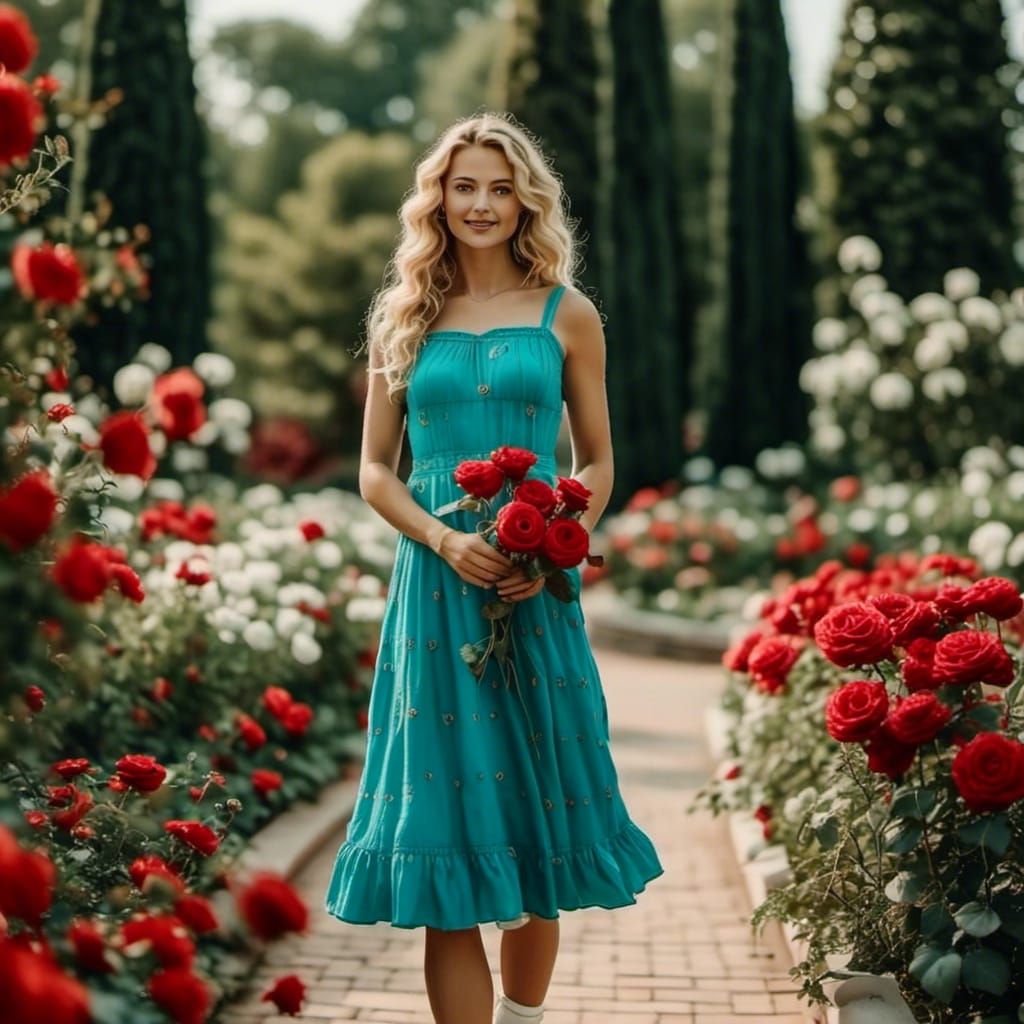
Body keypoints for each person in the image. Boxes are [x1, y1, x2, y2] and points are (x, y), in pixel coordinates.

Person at [324, 110, 664, 1024]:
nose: (481, 203)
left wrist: (554, 542)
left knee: (536, 827)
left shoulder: (567, 313)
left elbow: (597, 460)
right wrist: (442, 539)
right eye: (464, 185)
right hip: (435, 599)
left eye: (500, 189)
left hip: (533, 591)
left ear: (525, 204)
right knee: (445, 834)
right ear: (438, 198)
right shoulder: (403, 315)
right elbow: (373, 470)